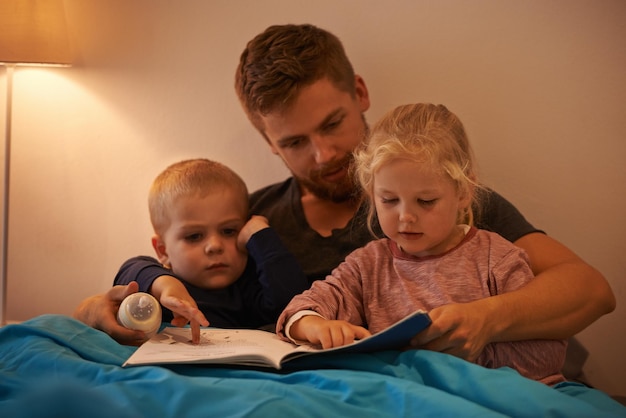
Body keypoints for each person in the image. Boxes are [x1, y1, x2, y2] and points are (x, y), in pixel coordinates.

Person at [74, 24, 614, 358]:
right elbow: (164, 284)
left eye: (332, 123)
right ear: (268, 142)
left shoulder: (445, 201)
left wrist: (486, 319)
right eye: (295, 141)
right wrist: (107, 310)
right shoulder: (247, 222)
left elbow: (590, 290)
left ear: (359, 93)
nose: (325, 154)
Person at [276, 103, 566, 385]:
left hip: (487, 394)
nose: (405, 217)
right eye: (388, 200)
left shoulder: (498, 258)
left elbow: (547, 358)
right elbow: (302, 308)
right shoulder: (368, 265)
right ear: (371, 193)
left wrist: (475, 349)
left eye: (425, 201)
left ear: (464, 192)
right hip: (405, 398)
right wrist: (315, 325)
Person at [111, 158, 308, 343]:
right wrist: (166, 287)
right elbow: (132, 271)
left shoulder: (249, 287)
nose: (215, 246)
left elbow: (295, 303)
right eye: (194, 236)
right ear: (163, 250)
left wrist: (261, 237)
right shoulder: (163, 290)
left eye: (229, 231)